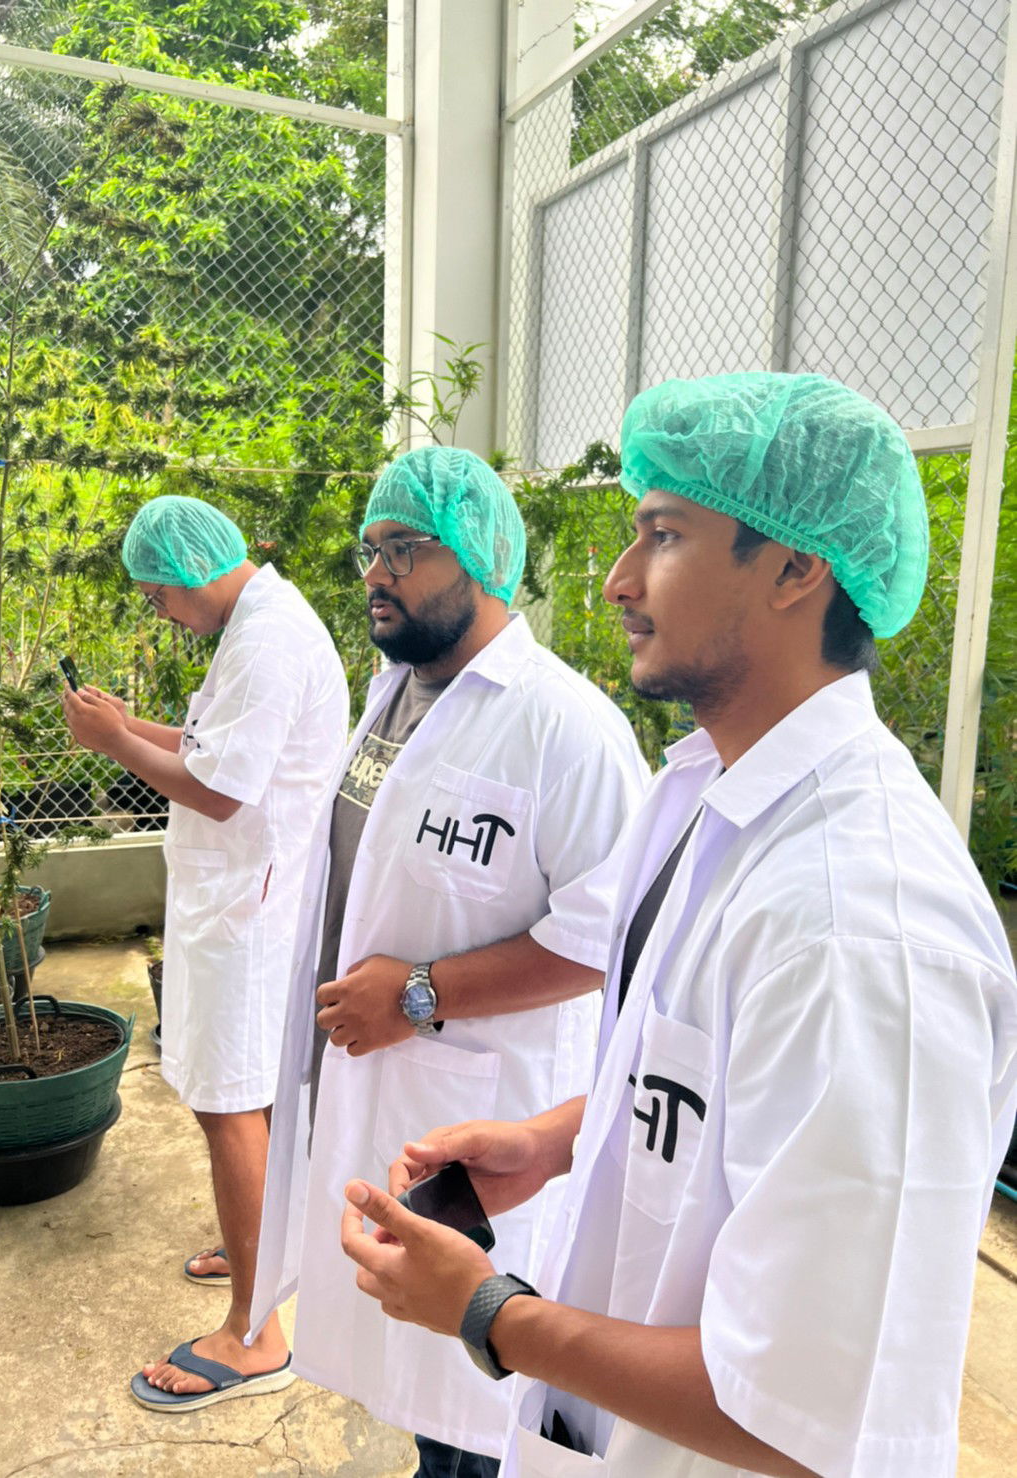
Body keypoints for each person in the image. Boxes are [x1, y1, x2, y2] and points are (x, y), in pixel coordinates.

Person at [340, 374, 1017, 1478]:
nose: (615, 579)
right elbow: (712, 1083)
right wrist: (558, 1139)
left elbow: (803, 1413)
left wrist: (489, 1312)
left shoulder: (859, 929)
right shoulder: (710, 791)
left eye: (662, 533)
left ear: (798, 565)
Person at [247, 446, 650, 1475]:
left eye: (407, 548)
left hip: (476, 1110)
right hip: (375, 1088)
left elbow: (600, 938)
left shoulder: (567, 728)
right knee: (414, 1364)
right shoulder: (390, 694)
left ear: (480, 556)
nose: (377, 571)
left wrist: (418, 994)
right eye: (369, 549)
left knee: (477, 1409)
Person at [62, 494, 348, 1412]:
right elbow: (209, 746)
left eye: (155, 596)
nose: (159, 614)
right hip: (232, 905)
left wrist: (112, 742)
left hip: (249, 912)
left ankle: (256, 1332)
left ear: (187, 574)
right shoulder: (257, 625)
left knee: (229, 1103)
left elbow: (221, 790)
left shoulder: (267, 640)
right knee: (235, 1096)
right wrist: (128, 728)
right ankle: (262, 1239)